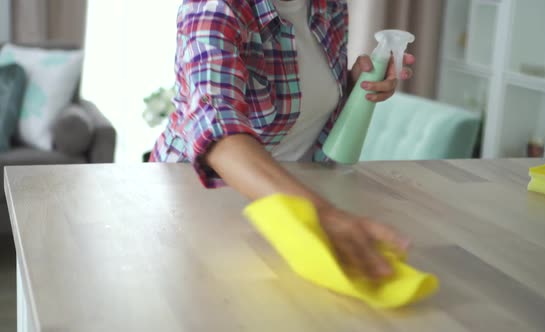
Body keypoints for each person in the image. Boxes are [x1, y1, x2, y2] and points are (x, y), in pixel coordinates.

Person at [150, 0, 415, 279]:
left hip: (293, 195)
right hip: (199, 204)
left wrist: (355, 84)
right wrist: (321, 214)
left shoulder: (331, 6)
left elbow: (304, 108)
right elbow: (216, 124)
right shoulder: (216, 6)